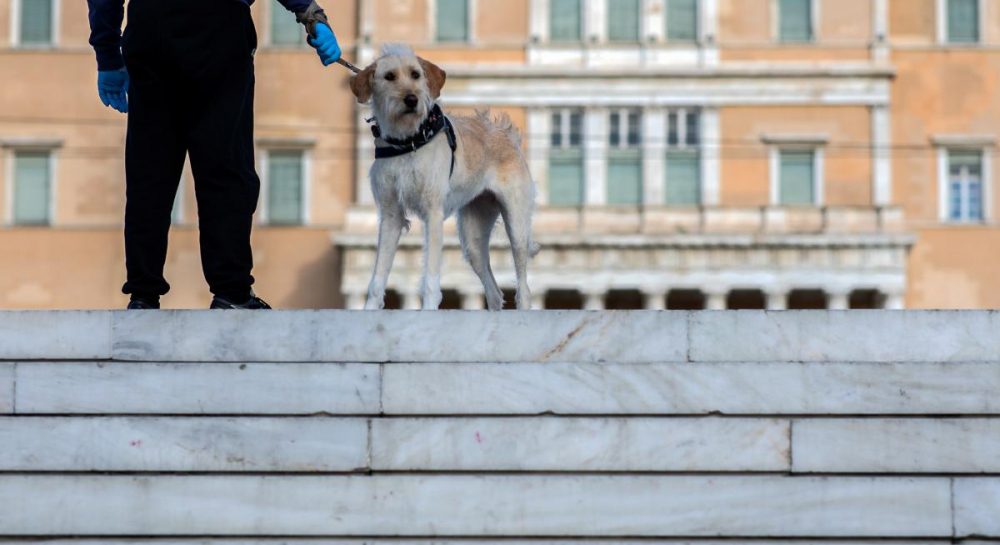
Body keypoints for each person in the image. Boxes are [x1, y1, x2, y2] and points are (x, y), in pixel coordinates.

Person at [86, 0, 342, 309]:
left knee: (150, 170)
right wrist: (310, 14)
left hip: (152, 29)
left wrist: (107, 54)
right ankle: (231, 291)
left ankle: (143, 294)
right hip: (219, 28)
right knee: (225, 166)